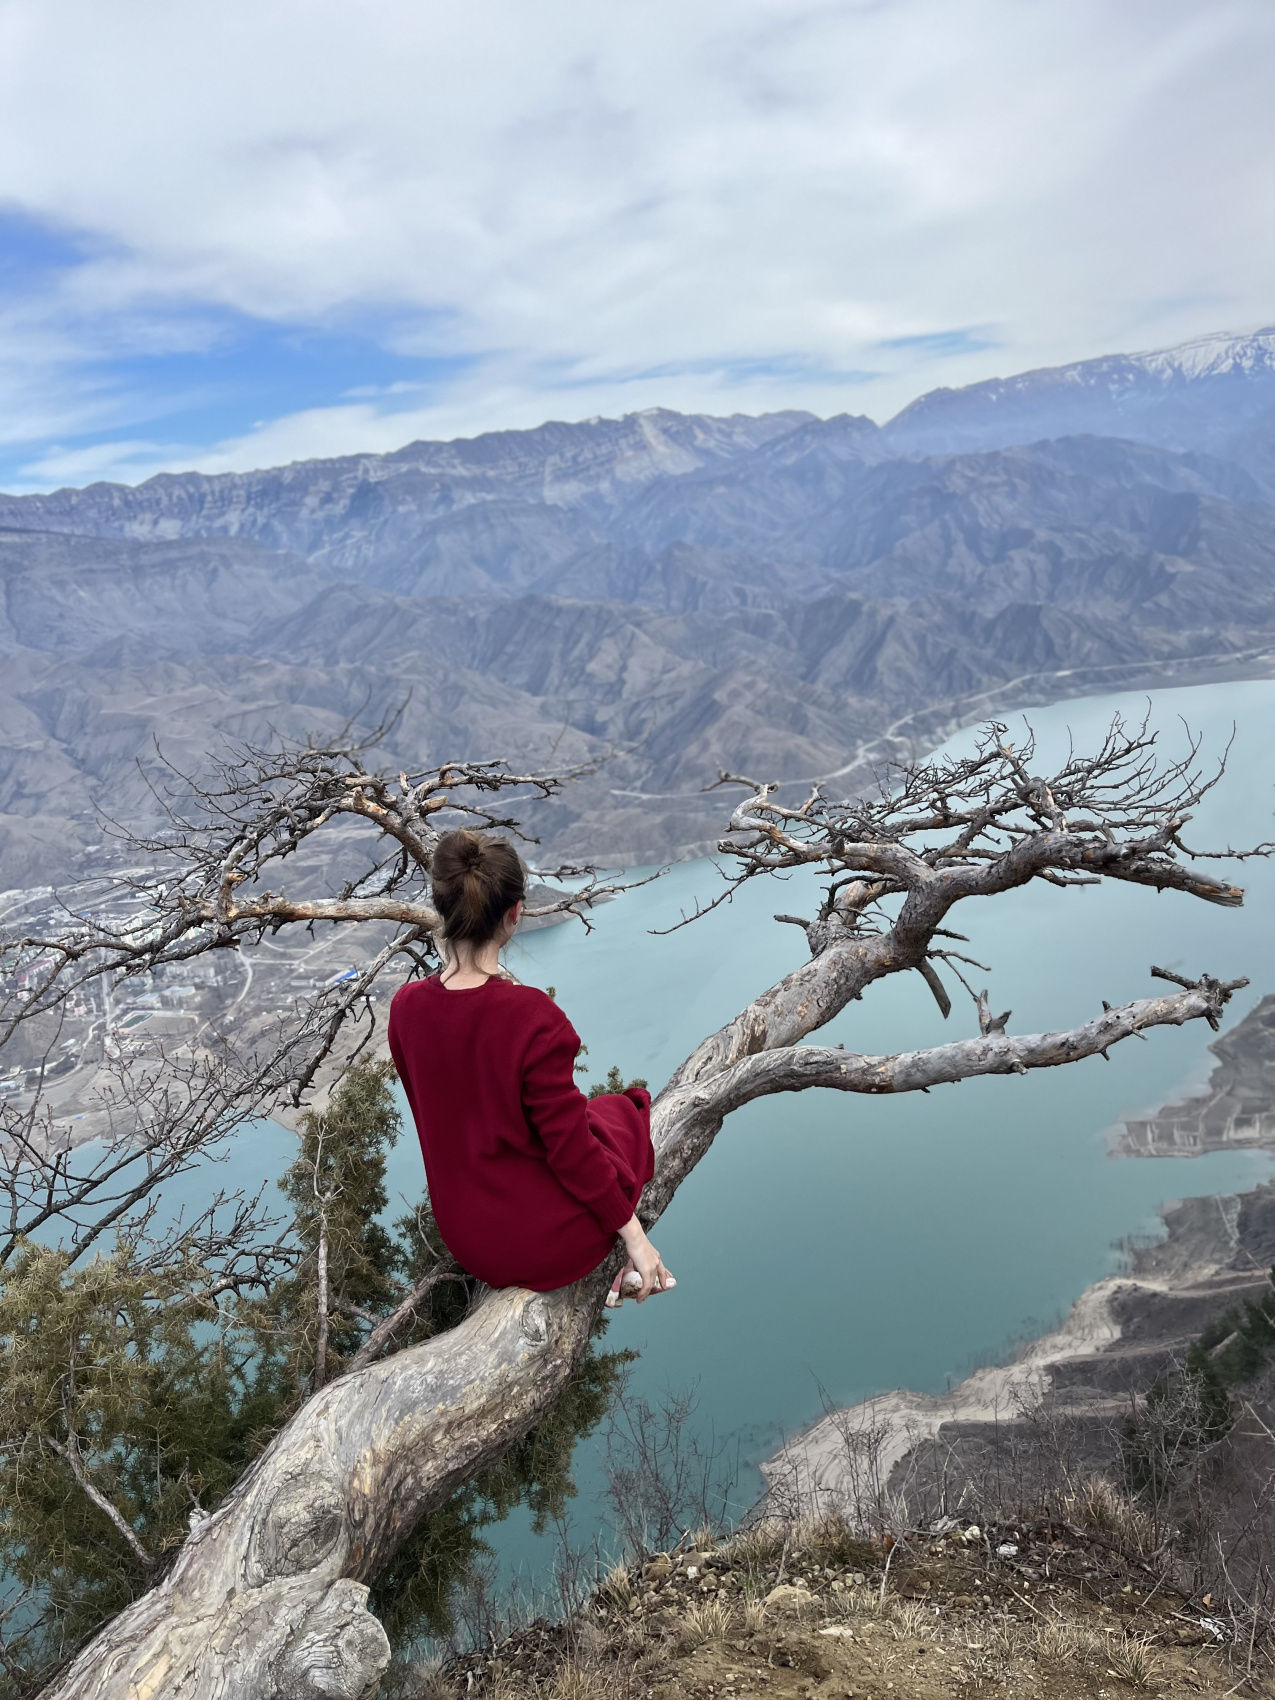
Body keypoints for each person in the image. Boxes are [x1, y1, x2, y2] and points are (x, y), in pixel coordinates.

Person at [387, 828, 675, 1306]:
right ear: (515, 913)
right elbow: (571, 1151)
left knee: (599, 1117)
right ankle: (624, 1260)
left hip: (470, 1241)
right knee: (624, 1117)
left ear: (442, 909)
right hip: (540, 1244)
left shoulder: (406, 1008)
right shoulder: (532, 1018)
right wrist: (636, 1239)